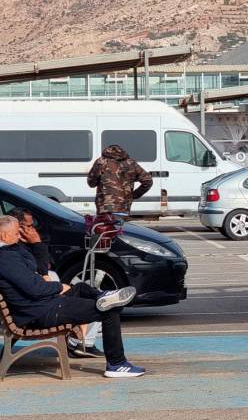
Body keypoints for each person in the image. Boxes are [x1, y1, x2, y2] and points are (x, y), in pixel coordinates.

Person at [0, 216, 146, 378]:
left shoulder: (9, 252)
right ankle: (116, 364)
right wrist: (60, 287)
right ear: (4, 237)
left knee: (81, 288)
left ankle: (104, 296)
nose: (19, 235)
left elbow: (37, 268)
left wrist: (35, 243)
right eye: (15, 233)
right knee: (109, 310)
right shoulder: (6, 259)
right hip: (41, 312)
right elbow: (35, 288)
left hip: (42, 305)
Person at [8, 208, 103, 358]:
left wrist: (37, 244)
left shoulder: (22, 246)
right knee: (95, 303)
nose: (33, 229)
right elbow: (42, 272)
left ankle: (83, 342)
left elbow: (46, 267)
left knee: (90, 293)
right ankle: (78, 343)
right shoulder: (12, 252)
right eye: (29, 226)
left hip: (39, 298)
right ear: (18, 228)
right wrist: (37, 244)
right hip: (38, 306)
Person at [87, 145, 153, 215]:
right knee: (121, 225)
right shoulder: (131, 163)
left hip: (105, 207)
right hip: (124, 206)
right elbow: (148, 181)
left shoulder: (101, 162)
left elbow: (91, 183)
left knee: (105, 225)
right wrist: (134, 195)